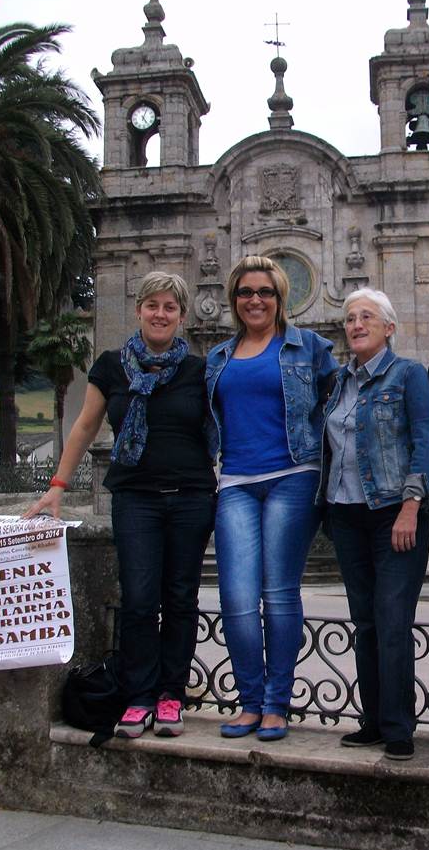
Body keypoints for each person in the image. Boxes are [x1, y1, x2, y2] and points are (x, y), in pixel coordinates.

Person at [25, 272, 216, 739]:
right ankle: (139, 696)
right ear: (138, 310)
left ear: (182, 316)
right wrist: (57, 485)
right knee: (138, 599)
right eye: (152, 305)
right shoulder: (111, 366)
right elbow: (85, 426)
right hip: (135, 500)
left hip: (191, 498)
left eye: (170, 307)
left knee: (180, 598)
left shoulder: (201, 370)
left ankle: (171, 695)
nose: (160, 314)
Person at [206, 255, 337, 741]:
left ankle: (276, 705)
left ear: (281, 297)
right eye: (246, 292)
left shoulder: (309, 347)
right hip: (236, 481)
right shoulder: (218, 357)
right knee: (237, 596)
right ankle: (249, 702)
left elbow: (343, 403)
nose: (255, 300)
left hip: (294, 475)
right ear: (234, 300)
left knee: (278, 591)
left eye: (265, 291)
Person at [319, 289, 429, 761]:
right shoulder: (336, 383)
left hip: (395, 513)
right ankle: (372, 721)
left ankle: (398, 727)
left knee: (392, 620)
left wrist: (412, 504)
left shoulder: (408, 375)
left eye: (366, 317)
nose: (356, 324)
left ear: (389, 328)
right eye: (350, 318)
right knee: (366, 622)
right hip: (346, 514)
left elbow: (428, 442)